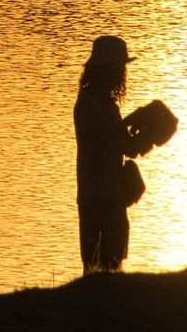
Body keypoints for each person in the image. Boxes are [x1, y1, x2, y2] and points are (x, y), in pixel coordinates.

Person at [73, 35, 139, 274]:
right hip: (96, 197)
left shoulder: (106, 104)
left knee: (113, 265)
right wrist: (128, 127)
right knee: (95, 267)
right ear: (106, 69)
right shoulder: (88, 104)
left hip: (111, 195)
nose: (122, 73)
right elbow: (105, 141)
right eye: (119, 67)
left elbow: (122, 145)